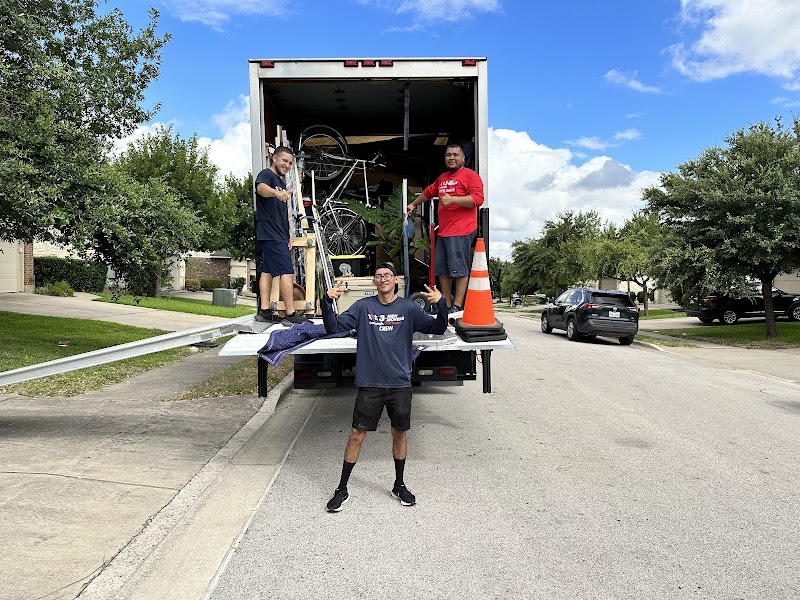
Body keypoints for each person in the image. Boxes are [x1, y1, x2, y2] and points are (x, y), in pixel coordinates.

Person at [321, 262, 447, 512]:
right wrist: (327, 301)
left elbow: (437, 328)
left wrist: (441, 303)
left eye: (388, 275)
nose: (383, 278)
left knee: (399, 433)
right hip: (370, 383)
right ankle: (341, 489)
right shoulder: (363, 307)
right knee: (356, 434)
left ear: (395, 280)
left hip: (399, 383)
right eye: (379, 276)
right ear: (374, 282)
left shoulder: (408, 308)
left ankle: (399, 485)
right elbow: (333, 328)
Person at [406, 142, 484, 313]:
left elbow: (478, 199)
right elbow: (429, 191)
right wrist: (413, 204)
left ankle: (457, 306)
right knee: (442, 270)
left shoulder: (471, 176)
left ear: (463, 158)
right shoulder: (443, 178)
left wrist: (453, 199)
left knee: (459, 270)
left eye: (455, 155)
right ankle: (446, 305)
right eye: (448, 155)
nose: (451, 158)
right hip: (444, 231)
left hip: (462, 230)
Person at [254, 146, 309, 326]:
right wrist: (276, 193)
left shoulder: (280, 181)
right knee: (287, 271)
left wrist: (287, 237)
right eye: (284, 161)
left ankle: (264, 311)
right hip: (270, 233)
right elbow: (260, 188)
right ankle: (291, 314)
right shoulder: (267, 175)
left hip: (277, 234)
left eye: (290, 163)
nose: (287, 165)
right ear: (274, 158)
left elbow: (281, 215)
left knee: (268, 271)